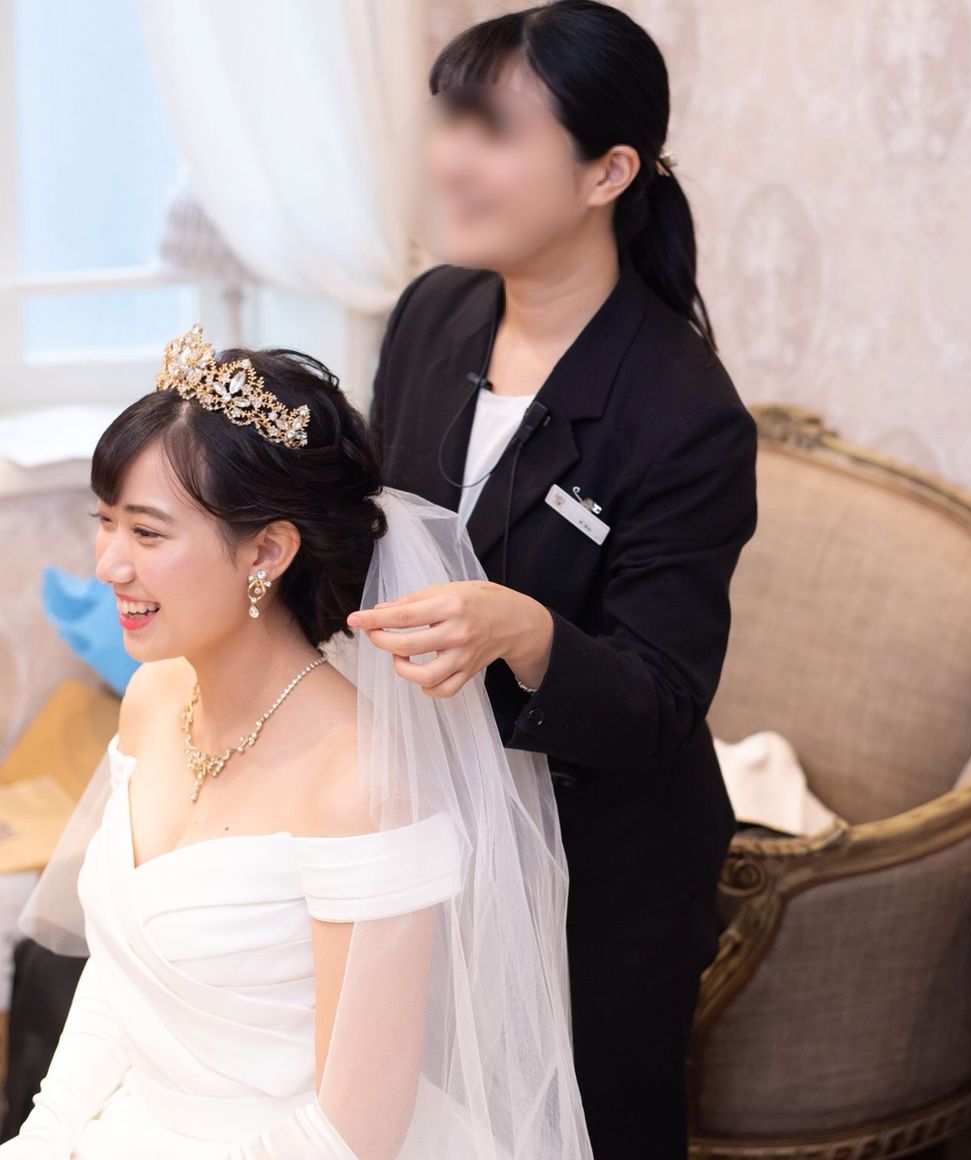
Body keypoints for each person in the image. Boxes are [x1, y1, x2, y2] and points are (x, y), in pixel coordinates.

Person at [3, 327, 591, 1159]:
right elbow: (118, 978)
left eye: (148, 533)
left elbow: (355, 1132)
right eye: (105, 523)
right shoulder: (151, 697)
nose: (109, 565)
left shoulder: (364, 783)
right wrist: (42, 1136)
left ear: (269, 551)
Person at [356, 3, 758, 1156]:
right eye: (451, 120)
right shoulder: (433, 311)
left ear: (605, 173)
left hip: (603, 877)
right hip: (436, 823)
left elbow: (660, 696)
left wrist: (525, 630)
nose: (450, 158)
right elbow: (371, 526)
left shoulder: (684, 414)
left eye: (492, 130)